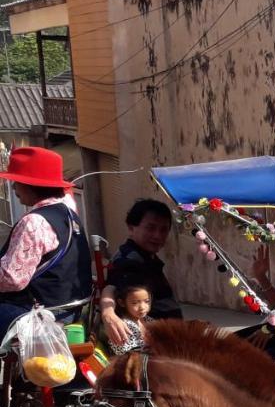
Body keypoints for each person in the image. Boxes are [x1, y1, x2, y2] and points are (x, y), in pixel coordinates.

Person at [0, 147, 92, 336]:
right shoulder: (68, 213)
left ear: (28, 184)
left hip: (39, 314)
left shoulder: (33, 222)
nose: (14, 188)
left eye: (15, 182)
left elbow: (12, 279)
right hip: (70, 309)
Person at [101, 198, 181, 349]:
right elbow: (112, 287)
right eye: (150, 228)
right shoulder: (129, 260)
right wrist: (108, 314)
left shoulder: (146, 256)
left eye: (163, 229)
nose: (157, 235)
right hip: (151, 344)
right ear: (131, 228)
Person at [107, 283, 152, 355]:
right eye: (135, 303)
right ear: (122, 303)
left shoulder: (148, 320)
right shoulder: (122, 326)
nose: (142, 307)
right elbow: (126, 355)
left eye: (147, 301)